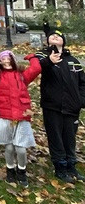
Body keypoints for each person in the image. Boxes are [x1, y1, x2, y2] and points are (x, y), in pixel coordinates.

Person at [33, 24, 85, 182]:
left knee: (70, 137)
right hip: (52, 106)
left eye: (59, 35)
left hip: (72, 107)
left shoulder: (73, 61)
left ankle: (71, 165)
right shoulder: (42, 56)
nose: (55, 36)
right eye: (52, 35)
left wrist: (81, 100)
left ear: (64, 41)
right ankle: (60, 167)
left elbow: (82, 83)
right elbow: (37, 69)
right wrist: (49, 61)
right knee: (55, 137)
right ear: (47, 40)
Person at [0, 48, 41, 187]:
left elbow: (36, 69)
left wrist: (32, 57)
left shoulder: (22, 76)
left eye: (8, 58)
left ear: (13, 60)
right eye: (3, 59)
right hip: (5, 115)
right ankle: (10, 169)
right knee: (9, 147)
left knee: (21, 148)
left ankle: (22, 170)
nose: (6, 61)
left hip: (21, 116)